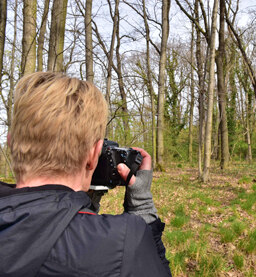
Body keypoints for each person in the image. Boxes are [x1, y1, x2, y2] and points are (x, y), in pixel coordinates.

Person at [0, 72, 171, 276]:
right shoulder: (121, 241)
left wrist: (84, 204)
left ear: (10, 143)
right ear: (93, 155)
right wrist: (143, 206)